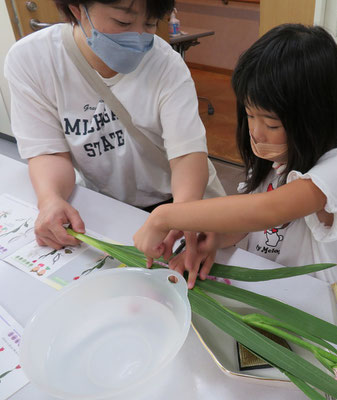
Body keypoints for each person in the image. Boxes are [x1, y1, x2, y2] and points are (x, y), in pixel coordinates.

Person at [134, 24, 337, 289]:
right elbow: (248, 224)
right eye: (249, 114)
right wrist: (214, 238)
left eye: (272, 125)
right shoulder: (275, 159)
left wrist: (166, 215)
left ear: (315, 118)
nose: (256, 133)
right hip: (262, 290)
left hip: (308, 305)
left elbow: (268, 211)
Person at [3, 0, 225, 264]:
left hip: (173, 198)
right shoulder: (32, 60)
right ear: (77, 9)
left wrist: (183, 214)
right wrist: (51, 199)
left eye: (150, 23)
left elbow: (187, 155)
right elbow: (49, 152)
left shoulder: (166, 64)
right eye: (123, 22)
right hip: (107, 203)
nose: (139, 37)